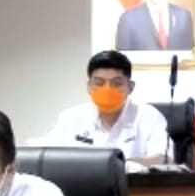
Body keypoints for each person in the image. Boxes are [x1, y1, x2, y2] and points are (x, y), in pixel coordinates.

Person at [35, 51, 172, 169]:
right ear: (89, 87)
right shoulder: (71, 118)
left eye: (116, 83)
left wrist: (115, 166)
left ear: (130, 87)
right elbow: (47, 156)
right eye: (99, 83)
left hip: (133, 189)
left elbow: (163, 159)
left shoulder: (149, 116)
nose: (107, 90)